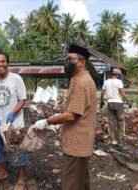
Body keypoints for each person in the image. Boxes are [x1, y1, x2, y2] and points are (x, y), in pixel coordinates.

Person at [34, 45, 97, 190]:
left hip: (77, 143)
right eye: (66, 59)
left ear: (81, 62)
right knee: (81, 179)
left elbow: (71, 115)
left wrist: (47, 121)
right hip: (82, 141)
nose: (67, 62)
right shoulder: (81, 78)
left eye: (70, 59)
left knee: (71, 182)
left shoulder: (81, 82)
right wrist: (57, 117)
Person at [0, 51, 28, 190]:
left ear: (7, 63)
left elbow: (23, 100)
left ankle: (21, 178)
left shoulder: (16, 78)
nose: (0, 64)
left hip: (14, 124)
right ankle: (2, 172)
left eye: (3, 61)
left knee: (18, 151)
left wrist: (13, 113)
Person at [100, 68, 130, 145]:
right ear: (117, 75)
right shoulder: (119, 82)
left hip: (110, 102)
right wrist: (128, 100)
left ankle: (112, 138)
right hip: (118, 102)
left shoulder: (106, 82)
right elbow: (122, 92)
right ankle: (119, 138)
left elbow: (102, 92)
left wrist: (102, 100)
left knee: (111, 120)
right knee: (120, 120)